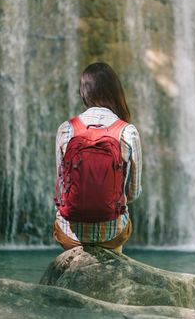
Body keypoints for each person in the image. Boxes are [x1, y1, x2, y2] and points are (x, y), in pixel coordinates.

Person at [52, 62, 142, 255]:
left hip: (69, 235)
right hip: (112, 235)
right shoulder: (127, 132)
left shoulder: (66, 129)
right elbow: (133, 193)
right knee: (121, 219)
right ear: (116, 91)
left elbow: (61, 189)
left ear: (84, 93)